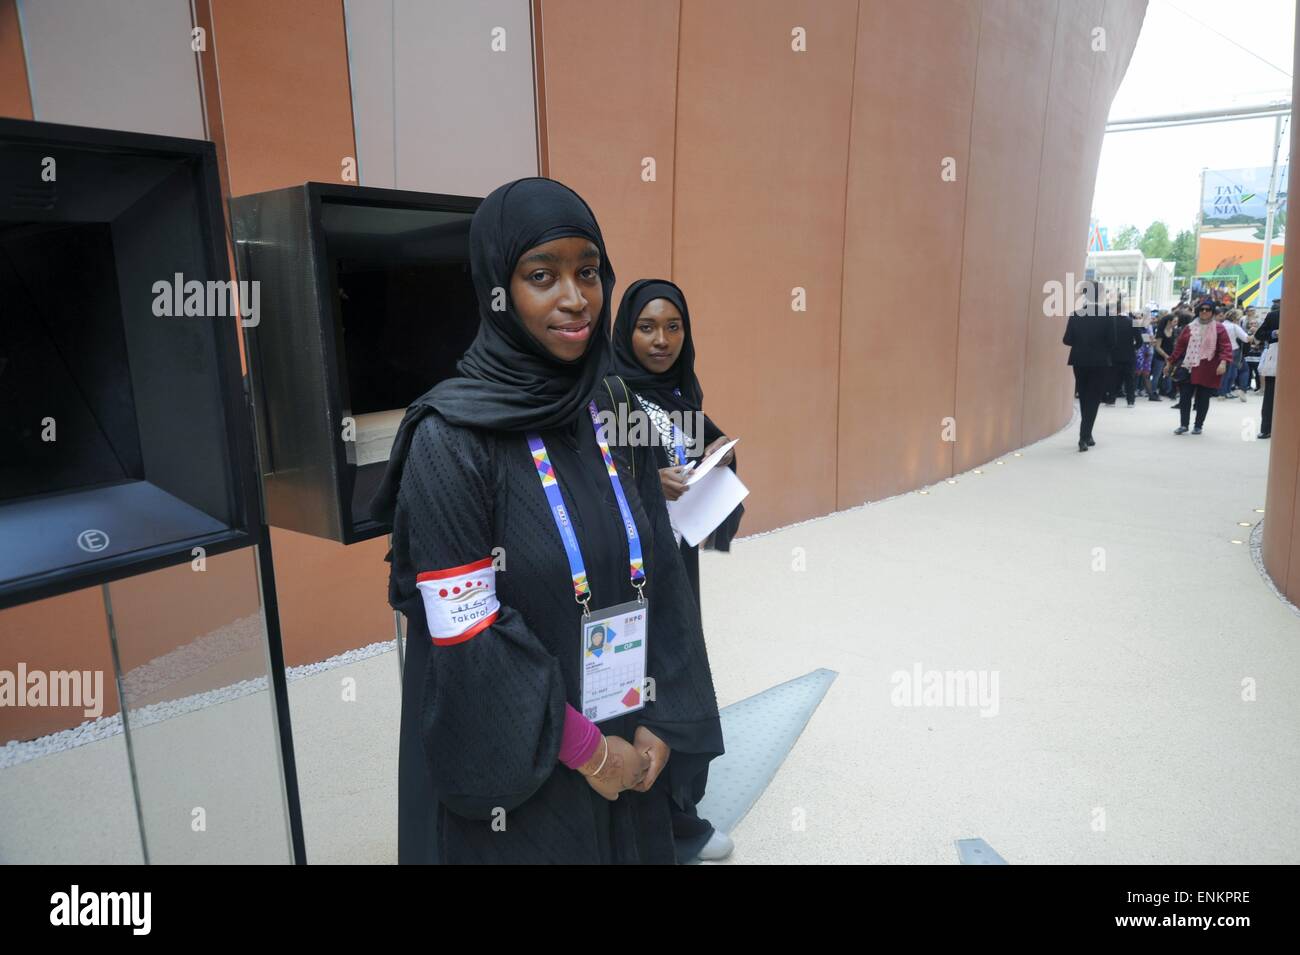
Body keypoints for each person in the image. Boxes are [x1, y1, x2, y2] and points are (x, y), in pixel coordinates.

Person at [370, 178, 724, 864]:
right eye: (542, 275)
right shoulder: (450, 440)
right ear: (496, 289)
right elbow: (471, 638)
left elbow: (663, 563)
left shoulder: (613, 404)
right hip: (533, 771)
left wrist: (662, 715)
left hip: (628, 725)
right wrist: (589, 753)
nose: (575, 298)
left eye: (588, 272)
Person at [609, 277, 743, 863]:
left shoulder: (679, 393)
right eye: (645, 327)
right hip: (630, 571)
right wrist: (644, 483)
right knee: (646, 680)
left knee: (679, 662)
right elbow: (596, 480)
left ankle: (677, 806)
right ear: (624, 331)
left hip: (676, 558)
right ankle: (661, 820)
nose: (660, 340)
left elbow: (688, 452)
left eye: (673, 327)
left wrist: (715, 461)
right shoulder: (610, 395)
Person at [1164, 300, 1233, 435]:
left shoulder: (1219, 328)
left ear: (1212, 312)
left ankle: (1198, 425)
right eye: (1202, 309)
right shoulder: (1190, 327)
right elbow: (1179, 347)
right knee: (1184, 396)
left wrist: (1223, 362)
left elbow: (1226, 347)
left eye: (1208, 309)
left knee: (1203, 398)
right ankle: (1184, 425)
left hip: (1207, 368)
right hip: (1188, 367)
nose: (1204, 312)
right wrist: (1170, 362)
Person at [1063, 281, 1116, 451]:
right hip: (1100, 362)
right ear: (1099, 295)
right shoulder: (1107, 316)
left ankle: (1087, 435)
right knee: (1093, 399)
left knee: (1085, 396)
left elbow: (1067, 340)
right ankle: (1084, 436)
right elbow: (1113, 342)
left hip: (1079, 361)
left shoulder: (1076, 314)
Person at [1253, 301, 1281, 438]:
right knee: (1270, 395)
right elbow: (1259, 335)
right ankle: (1266, 428)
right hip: (1276, 360)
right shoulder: (1274, 316)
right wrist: (1274, 333)